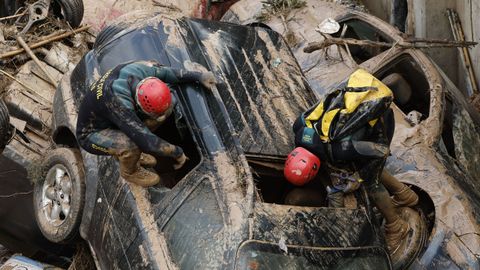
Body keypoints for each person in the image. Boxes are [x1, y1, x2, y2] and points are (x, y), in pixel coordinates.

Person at [284, 69, 418, 255]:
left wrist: (359, 178)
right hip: (354, 122)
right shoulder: (300, 126)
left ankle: (396, 226)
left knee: (372, 181)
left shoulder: (340, 149)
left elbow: (380, 152)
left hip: (380, 120)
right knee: (363, 166)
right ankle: (405, 195)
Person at [76, 60, 216, 187]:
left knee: (164, 110)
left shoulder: (141, 71)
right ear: (138, 104)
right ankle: (131, 171)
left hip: (109, 115)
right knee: (130, 145)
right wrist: (178, 153)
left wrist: (198, 76)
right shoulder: (119, 103)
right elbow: (147, 142)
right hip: (91, 133)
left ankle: (135, 152)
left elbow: (168, 73)